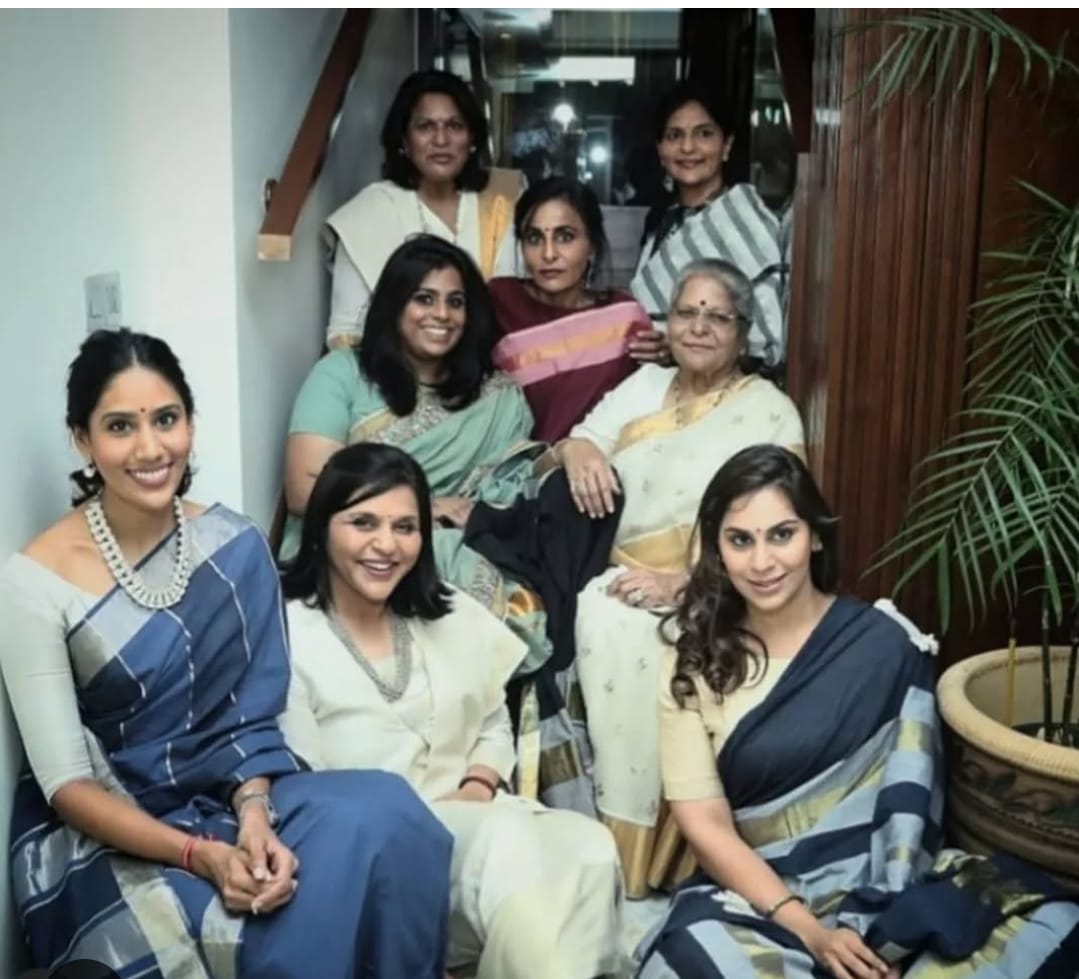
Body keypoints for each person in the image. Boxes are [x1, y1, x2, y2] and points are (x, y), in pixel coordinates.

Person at [0, 329, 452, 978]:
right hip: (118, 822)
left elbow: (251, 718)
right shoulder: (34, 582)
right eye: (120, 426)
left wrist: (256, 818)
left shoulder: (231, 542)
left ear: (190, 422)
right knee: (276, 922)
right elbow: (67, 784)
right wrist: (199, 854)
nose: (151, 447)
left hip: (235, 793)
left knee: (389, 813)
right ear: (82, 439)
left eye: (166, 419)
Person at [636, 444, 1079, 978]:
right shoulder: (692, 661)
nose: (762, 562)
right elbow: (704, 824)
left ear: (815, 535)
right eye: (740, 540)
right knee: (690, 961)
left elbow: (908, 809)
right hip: (763, 894)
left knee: (1044, 929)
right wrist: (810, 929)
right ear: (716, 550)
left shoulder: (883, 646)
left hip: (888, 884)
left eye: (782, 534)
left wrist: (878, 921)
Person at [278, 442, 626, 979]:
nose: (385, 545)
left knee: (590, 846)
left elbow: (492, 719)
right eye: (363, 522)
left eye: (404, 527)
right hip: (379, 858)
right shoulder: (288, 634)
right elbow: (299, 787)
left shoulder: (445, 611)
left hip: (478, 821)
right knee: (520, 856)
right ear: (323, 527)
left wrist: (480, 785)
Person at [558, 258, 805, 897]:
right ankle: (616, 844)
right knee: (601, 611)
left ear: (743, 333)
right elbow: (580, 439)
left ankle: (660, 860)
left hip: (720, 589)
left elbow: (777, 525)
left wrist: (686, 585)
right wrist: (581, 449)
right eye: (686, 312)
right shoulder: (643, 387)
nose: (698, 327)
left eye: (716, 316)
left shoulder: (769, 412)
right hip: (621, 576)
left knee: (659, 637)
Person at [284, 235, 549, 668]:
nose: (441, 315)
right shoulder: (343, 374)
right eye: (424, 299)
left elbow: (509, 487)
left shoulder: (496, 397)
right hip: (350, 546)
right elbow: (302, 489)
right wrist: (423, 509)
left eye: (456, 301)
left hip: (462, 543)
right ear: (395, 306)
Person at [325, 69, 523, 348]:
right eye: (425, 126)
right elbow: (345, 334)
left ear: (473, 139)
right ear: (404, 141)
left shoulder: (503, 202)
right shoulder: (368, 214)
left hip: (492, 372)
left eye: (455, 125)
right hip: (394, 379)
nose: (441, 140)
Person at [487, 176, 665, 443]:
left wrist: (670, 355)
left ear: (592, 245)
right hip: (508, 472)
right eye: (534, 238)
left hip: (596, 474)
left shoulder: (623, 318)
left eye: (565, 237)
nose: (548, 254)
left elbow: (641, 416)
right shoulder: (499, 301)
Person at [630, 79, 788, 368]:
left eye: (704, 134)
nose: (687, 147)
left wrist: (680, 347)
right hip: (658, 393)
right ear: (660, 150)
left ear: (726, 145)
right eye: (674, 135)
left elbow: (767, 338)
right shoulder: (662, 222)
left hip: (725, 396)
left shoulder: (747, 222)